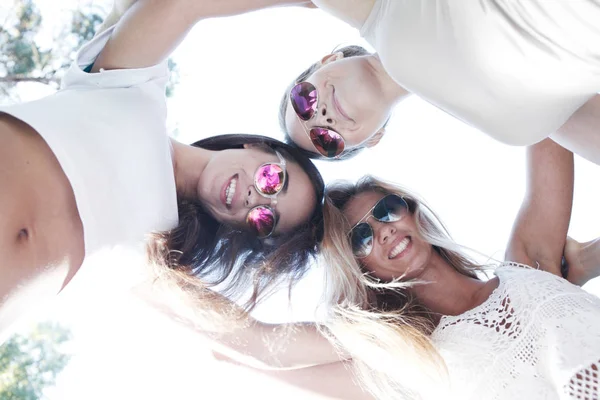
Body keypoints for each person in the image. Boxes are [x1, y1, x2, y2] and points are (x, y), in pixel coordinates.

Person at [0, 0, 324, 338]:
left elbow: (254, 343)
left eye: (264, 220)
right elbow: (181, 6)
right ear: (259, 147)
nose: (253, 199)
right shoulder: (136, 90)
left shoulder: (165, 259)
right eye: (272, 180)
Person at [320, 138, 600, 399]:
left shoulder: (529, 262)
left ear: (413, 212)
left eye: (387, 210)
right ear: (361, 271)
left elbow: (546, 126)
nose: (384, 231)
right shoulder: (422, 362)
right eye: (361, 237)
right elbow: (276, 355)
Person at [280, 0, 600, 165]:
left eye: (304, 101)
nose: (321, 118)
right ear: (374, 138)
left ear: (328, 61)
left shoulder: (370, 9)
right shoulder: (506, 122)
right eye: (326, 140)